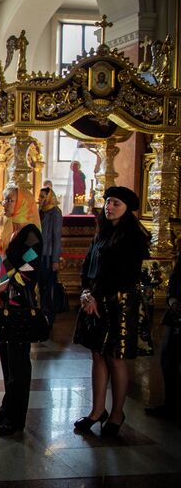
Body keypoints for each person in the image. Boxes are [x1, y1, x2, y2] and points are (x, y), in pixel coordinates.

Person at [74, 186, 152, 437]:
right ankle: (97, 411)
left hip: (119, 302)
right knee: (97, 355)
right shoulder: (102, 233)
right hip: (94, 301)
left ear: (127, 208)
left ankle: (117, 413)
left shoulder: (133, 238)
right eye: (108, 202)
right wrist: (86, 292)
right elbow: (88, 265)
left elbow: (124, 274)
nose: (109, 206)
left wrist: (94, 296)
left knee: (115, 358)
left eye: (116, 203)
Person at [0, 186, 43, 437]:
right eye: (5, 199)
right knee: (7, 360)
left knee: (19, 364)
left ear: (23, 204)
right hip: (6, 302)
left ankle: (16, 418)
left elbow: (30, 270)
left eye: (10, 200)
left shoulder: (31, 233)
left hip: (21, 305)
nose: (5, 204)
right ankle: (6, 408)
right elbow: (2, 262)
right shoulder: (11, 228)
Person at [145, 252, 181, 420]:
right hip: (177, 316)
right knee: (168, 360)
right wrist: (173, 301)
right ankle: (171, 404)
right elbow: (175, 278)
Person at [38, 187, 63, 324]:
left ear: (49, 198)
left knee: (49, 288)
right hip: (39, 255)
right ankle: (42, 313)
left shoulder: (55, 213)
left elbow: (56, 238)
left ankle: (49, 316)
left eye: (42, 197)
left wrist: (55, 260)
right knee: (41, 287)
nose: (39, 199)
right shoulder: (40, 212)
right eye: (40, 196)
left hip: (48, 257)